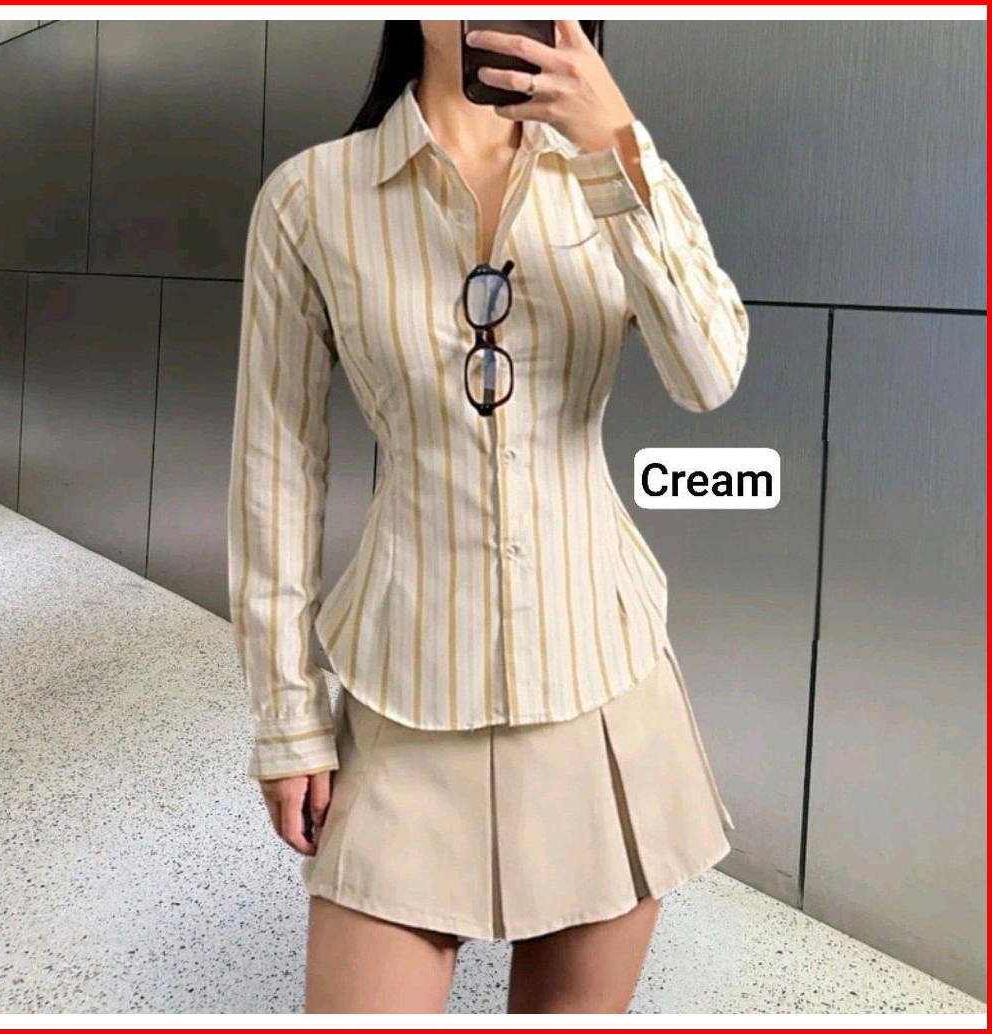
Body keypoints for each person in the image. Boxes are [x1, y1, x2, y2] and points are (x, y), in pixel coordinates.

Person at [227, 19, 748, 1014]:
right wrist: (287, 715)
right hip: (404, 690)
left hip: (600, 682)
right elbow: (276, 468)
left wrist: (614, 145)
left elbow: (707, 374)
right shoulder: (310, 199)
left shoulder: (612, 167)